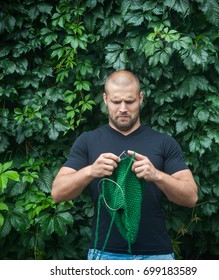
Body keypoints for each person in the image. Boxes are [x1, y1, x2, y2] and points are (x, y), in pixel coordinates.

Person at [51, 70, 198, 260]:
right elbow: (57, 193)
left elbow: (191, 197)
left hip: (157, 255)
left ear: (141, 98)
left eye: (129, 101)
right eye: (115, 101)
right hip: (104, 254)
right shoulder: (88, 141)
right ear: (105, 99)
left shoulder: (163, 142)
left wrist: (157, 175)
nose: (122, 108)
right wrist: (90, 171)